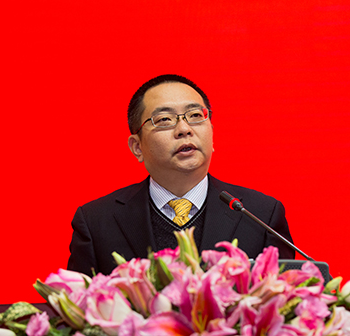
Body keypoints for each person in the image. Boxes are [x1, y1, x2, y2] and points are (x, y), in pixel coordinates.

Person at [67, 74, 294, 275]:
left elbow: (285, 301)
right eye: (164, 120)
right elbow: (77, 306)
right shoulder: (97, 222)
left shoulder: (261, 215)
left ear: (212, 133)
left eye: (195, 115)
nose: (185, 129)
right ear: (137, 147)